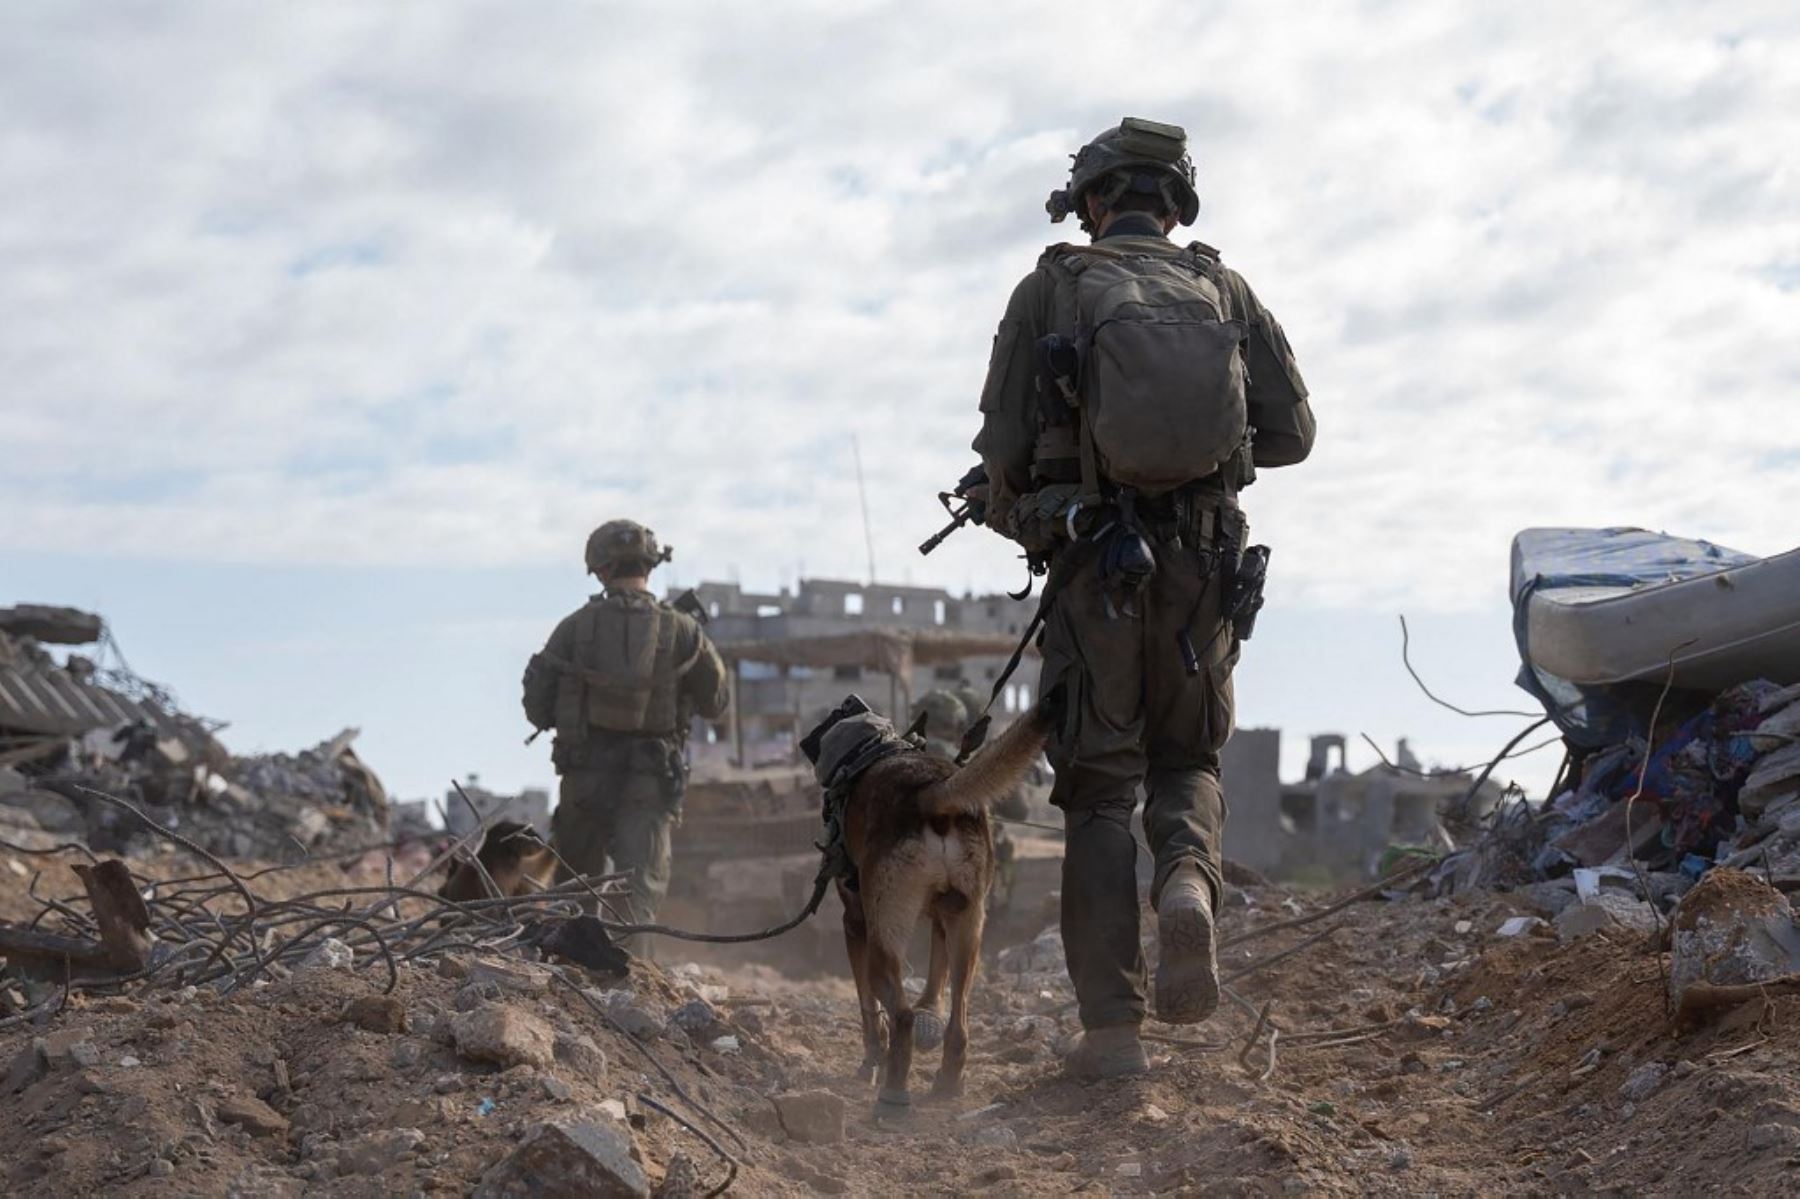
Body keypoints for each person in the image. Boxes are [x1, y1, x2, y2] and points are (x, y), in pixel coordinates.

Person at [970, 118, 1314, 1077]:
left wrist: (1037, 504)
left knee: (1097, 793)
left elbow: (1000, 454)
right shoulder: (1223, 287)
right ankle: (1187, 889)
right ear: (1175, 206)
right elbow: (1294, 434)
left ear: (1091, 203)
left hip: (1097, 577)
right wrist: (1205, 463)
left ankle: (1113, 1033)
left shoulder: (1051, 288)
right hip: (1205, 575)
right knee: (1188, 762)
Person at [521, 520, 730, 939]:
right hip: (650, 779)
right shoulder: (685, 630)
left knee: (577, 890)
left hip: (584, 776)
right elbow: (716, 703)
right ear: (652, 565)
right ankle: (632, 982)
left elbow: (536, 708)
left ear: (600, 569)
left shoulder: (573, 629)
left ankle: (574, 981)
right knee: (640, 894)